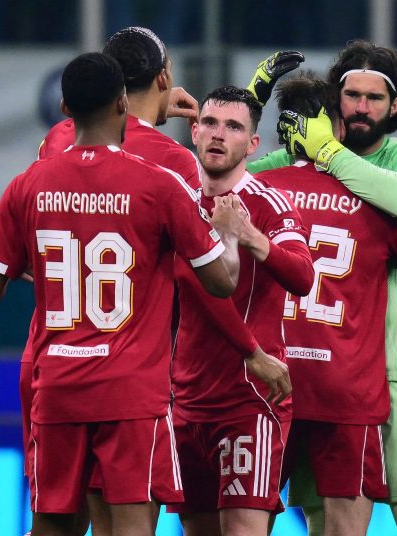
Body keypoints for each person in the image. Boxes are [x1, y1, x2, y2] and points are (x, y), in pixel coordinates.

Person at [0, 52, 242, 536]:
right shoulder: (160, 183)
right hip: (131, 391)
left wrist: (37, 262)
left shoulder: (28, 184)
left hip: (56, 388)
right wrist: (231, 233)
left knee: (52, 523)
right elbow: (221, 282)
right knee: (130, 523)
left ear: (63, 106)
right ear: (123, 102)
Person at [262, 40, 397, 535]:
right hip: (327, 365)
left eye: (375, 98)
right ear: (334, 101)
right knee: (323, 514)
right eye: (352, 95)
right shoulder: (298, 161)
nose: (362, 106)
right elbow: (227, 178)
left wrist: (328, 152)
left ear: (395, 108)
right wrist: (252, 107)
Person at [168, 86, 314, 536]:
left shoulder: (268, 203)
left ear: (252, 144)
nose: (218, 135)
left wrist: (250, 236)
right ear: (194, 132)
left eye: (234, 127)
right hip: (185, 401)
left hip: (250, 401)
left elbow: (304, 278)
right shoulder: (177, 201)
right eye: (210, 123)